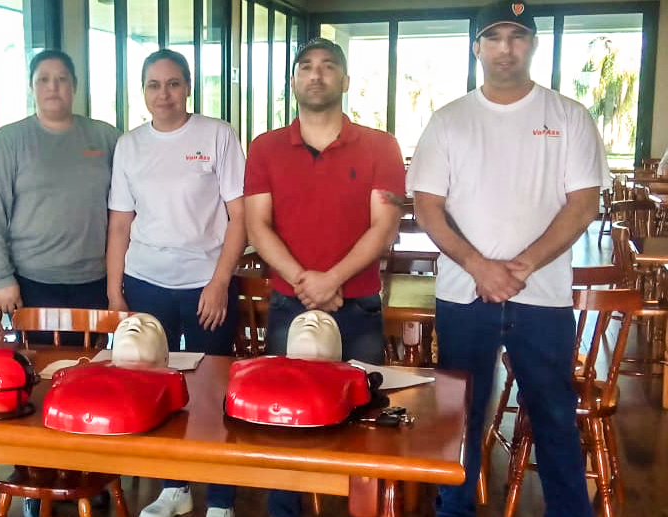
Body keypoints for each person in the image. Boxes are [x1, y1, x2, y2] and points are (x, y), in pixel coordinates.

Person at [406, 2, 610, 516]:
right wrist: (479, 266)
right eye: (493, 37)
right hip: (463, 297)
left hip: (541, 297)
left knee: (554, 416)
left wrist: (520, 266)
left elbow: (583, 202)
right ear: (477, 47)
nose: (505, 48)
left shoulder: (568, 116)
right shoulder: (449, 120)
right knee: (462, 418)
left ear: (534, 45)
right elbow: (427, 205)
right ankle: (455, 509)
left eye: (516, 37)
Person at [242, 38, 405, 517]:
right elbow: (257, 225)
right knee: (282, 420)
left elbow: (385, 227)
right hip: (288, 306)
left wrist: (330, 279)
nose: (316, 74)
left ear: (346, 81)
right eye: (306, 67)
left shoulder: (381, 145)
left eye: (328, 66)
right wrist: (305, 283)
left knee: (365, 420)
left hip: (358, 305)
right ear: (294, 81)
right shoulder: (266, 147)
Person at [106, 49, 245, 517]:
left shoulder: (217, 135)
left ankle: (222, 496)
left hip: (206, 283)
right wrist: (114, 290)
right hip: (146, 282)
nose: (163, 94)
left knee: (213, 385)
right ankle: (175, 487)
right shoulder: (130, 144)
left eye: (172, 83)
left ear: (187, 87)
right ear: (142, 91)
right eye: (152, 85)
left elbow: (238, 216)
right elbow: (120, 224)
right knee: (156, 385)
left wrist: (219, 281)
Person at [0, 50, 121, 318]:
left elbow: (129, 205)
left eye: (62, 79)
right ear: (31, 87)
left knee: (90, 359)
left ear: (74, 86)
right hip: (32, 281)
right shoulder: (9, 140)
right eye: (43, 79)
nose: (53, 86)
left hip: (95, 280)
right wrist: (2, 278)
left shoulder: (105, 137)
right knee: (41, 359)